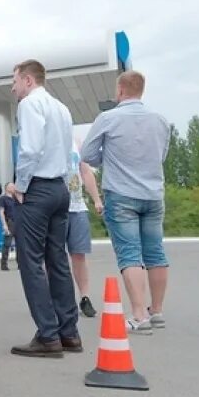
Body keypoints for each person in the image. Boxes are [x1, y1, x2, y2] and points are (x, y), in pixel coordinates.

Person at [81, 70, 170, 334]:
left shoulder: (108, 118)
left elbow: (87, 154)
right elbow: (161, 156)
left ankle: (139, 315)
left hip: (121, 194)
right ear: (141, 90)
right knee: (156, 252)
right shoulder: (161, 120)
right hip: (153, 194)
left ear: (120, 91)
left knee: (130, 253)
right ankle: (158, 311)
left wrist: (108, 160)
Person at [10, 59, 80, 358]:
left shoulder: (29, 105)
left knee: (31, 262)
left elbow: (29, 149)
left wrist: (20, 186)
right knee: (58, 261)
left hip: (37, 189)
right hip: (60, 189)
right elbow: (65, 151)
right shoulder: (61, 108)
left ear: (27, 80)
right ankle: (69, 333)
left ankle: (47, 336)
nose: (13, 88)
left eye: (14, 81)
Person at [67, 139, 104, 318]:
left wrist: (96, 199)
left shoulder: (77, 144)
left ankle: (85, 297)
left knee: (79, 253)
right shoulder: (47, 138)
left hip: (77, 205)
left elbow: (86, 171)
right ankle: (55, 297)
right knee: (53, 255)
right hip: (55, 206)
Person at [0, 183, 19, 270]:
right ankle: (4, 264)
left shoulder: (16, 199)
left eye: (14, 186)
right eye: (11, 186)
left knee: (21, 245)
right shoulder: (3, 199)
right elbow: (1, 212)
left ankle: (20, 264)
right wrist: (4, 225)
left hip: (19, 222)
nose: (14, 187)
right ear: (7, 188)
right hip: (9, 222)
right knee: (7, 244)